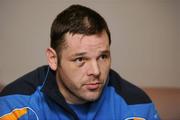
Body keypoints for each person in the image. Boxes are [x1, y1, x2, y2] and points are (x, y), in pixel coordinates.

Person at [0, 4, 160, 120]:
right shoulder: (15, 103)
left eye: (103, 56)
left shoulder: (136, 106)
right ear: (53, 59)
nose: (96, 71)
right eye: (80, 59)